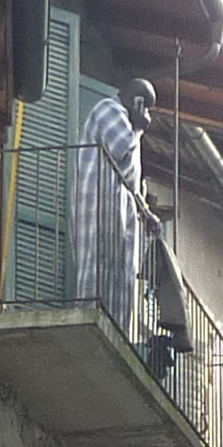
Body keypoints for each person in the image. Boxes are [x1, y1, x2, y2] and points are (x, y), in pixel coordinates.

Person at [70, 75, 154, 326]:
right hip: (97, 202)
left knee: (119, 274)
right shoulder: (109, 110)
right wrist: (139, 128)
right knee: (96, 264)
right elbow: (123, 152)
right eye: (146, 106)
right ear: (137, 102)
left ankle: (114, 325)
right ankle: (88, 318)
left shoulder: (122, 120)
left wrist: (147, 214)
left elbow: (131, 182)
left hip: (115, 207)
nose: (148, 113)